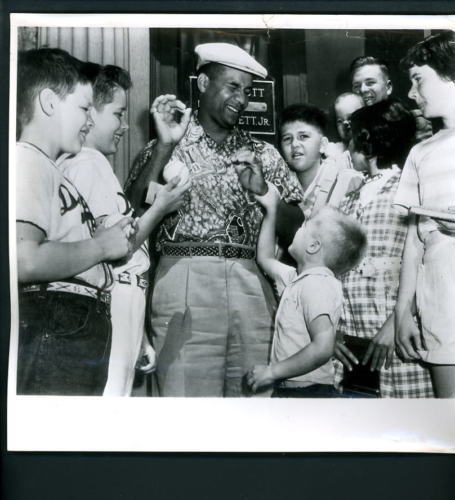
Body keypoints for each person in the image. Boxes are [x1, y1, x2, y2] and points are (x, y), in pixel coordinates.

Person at [124, 43, 304, 397]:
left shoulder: (264, 154)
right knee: (186, 409)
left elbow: (299, 228)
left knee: (252, 407)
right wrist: (163, 148)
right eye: (233, 86)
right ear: (203, 84)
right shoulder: (164, 145)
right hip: (183, 281)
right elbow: (130, 213)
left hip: (252, 284)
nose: (242, 98)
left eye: (247, 91)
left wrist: (264, 192)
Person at [60, 64, 189, 396]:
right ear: (90, 113)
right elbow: (122, 248)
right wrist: (162, 206)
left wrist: (141, 334)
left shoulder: (91, 164)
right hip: (111, 303)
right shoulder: (88, 163)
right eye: (118, 114)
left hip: (126, 301)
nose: (124, 126)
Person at [16, 48, 133, 395]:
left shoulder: (52, 169)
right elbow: (25, 259)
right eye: (83, 108)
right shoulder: (28, 161)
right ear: (50, 103)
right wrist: (99, 246)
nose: (89, 120)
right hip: (58, 320)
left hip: (77, 321)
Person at [333, 98, 433, 398]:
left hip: (398, 344)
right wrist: (331, 331)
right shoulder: (349, 199)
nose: (347, 145)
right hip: (351, 351)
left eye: (353, 136)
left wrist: (397, 322)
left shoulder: (411, 192)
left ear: (367, 139)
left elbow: (428, 265)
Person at [246, 188, 367, 397]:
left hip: (309, 392)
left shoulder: (316, 286)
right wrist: (271, 212)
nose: (297, 229)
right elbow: (265, 258)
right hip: (292, 389)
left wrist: (272, 371)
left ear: (313, 246)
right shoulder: (298, 279)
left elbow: (322, 348)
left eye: (304, 226)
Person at [394, 31, 455, 398]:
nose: (413, 94)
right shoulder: (421, 153)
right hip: (442, 299)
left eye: (419, 80)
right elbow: (413, 244)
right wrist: (403, 312)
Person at [279, 103, 361, 219]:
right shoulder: (280, 185)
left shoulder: (344, 181)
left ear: (323, 145)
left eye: (303, 136)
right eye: (287, 139)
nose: (294, 144)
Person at [351, 55, 432, 141]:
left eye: (370, 83)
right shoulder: (352, 124)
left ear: (388, 87)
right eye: (357, 86)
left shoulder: (413, 123)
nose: (363, 89)